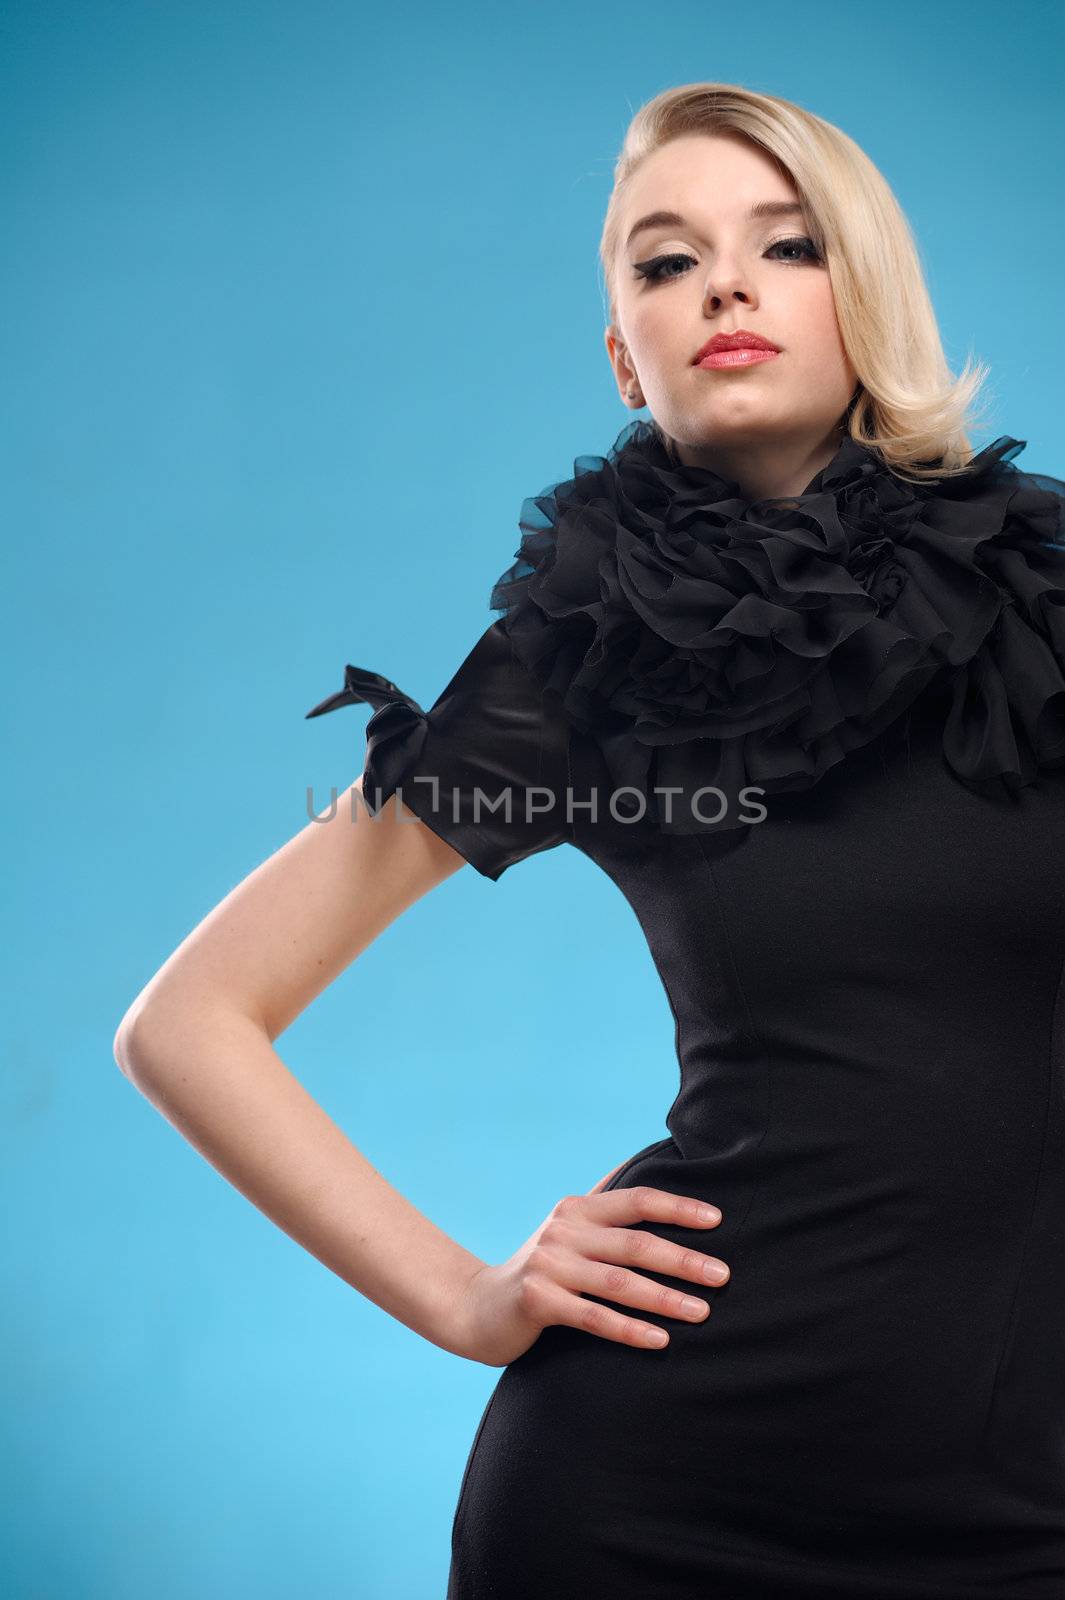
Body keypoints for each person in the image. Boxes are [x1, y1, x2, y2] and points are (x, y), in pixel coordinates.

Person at [113, 80, 1065, 1599]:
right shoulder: (585, 653)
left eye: (788, 244)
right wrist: (469, 1300)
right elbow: (189, 1025)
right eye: (663, 260)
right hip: (650, 1504)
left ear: (871, 296)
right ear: (625, 356)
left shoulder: (1048, 582)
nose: (725, 285)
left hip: (1023, 1508)